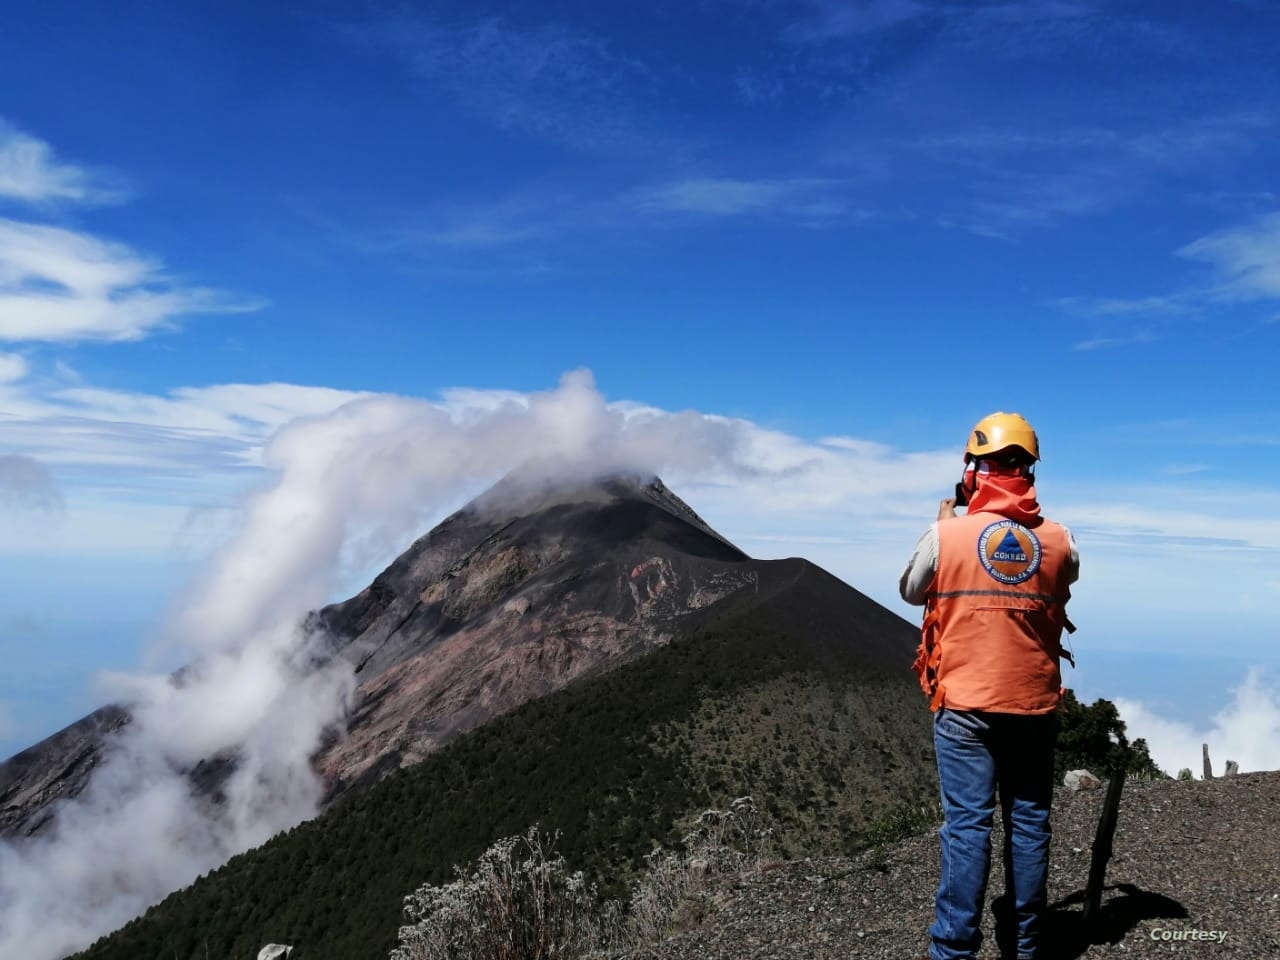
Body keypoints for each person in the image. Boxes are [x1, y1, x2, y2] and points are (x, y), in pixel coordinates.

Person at [900, 412, 1079, 960]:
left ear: (973, 470)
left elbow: (911, 591)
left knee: (968, 826)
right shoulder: (1059, 541)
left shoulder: (946, 534)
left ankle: (953, 950)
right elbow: (1062, 579)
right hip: (1033, 701)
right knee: (1028, 821)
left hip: (965, 706)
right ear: (1029, 469)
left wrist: (947, 520)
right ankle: (1026, 945)